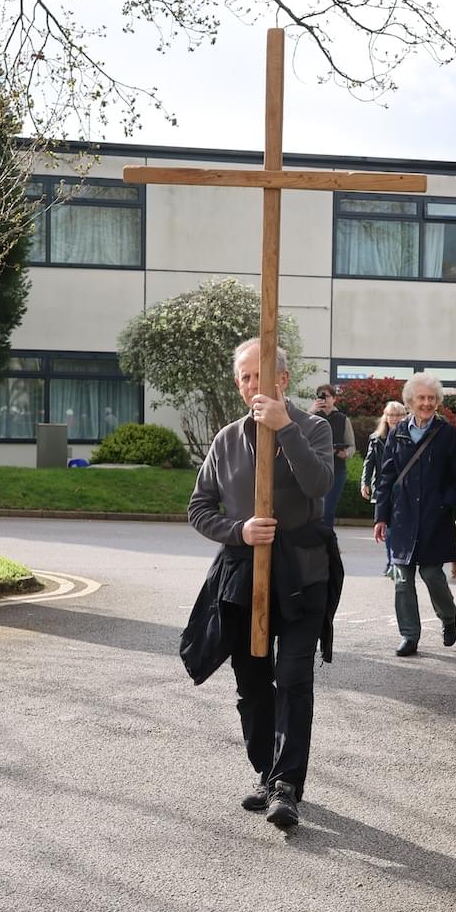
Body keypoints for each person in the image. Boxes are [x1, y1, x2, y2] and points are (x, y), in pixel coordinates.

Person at [185, 338, 338, 831]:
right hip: (244, 578)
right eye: (245, 377)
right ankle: (266, 773)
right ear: (239, 383)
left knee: (293, 677)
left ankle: (288, 786)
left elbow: (319, 485)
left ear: (283, 380)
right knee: (252, 683)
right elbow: (199, 507)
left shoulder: (312, 427)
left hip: (302, 576)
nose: (253, 384)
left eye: (262, 375)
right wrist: (240, 531)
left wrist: (285, 429)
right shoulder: (228, 439)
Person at [373, 374, 456, 656]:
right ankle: (409, 635)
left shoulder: (447, 433)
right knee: (402, 579)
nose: (426, 403)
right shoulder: (398, 431)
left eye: (431, 398)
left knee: (431, 574)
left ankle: (448, 616)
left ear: (437, 401)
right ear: (410, 401)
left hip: (433, 518)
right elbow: (386, 477)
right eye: (421, 398)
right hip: (402, 518)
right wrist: (381, 516)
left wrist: (444, 504)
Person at [362, 401, 408, 575]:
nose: (395, 418)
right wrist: (364, 482)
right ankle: (391, 562)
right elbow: (369, 462)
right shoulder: (376, 438)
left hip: (404, 488)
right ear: (385, 417)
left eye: (398, 415)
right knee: (386, 528)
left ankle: (399, 561)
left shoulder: (409, 436)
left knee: (399, 527)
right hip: (383, 488)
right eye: (391, 415)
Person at [311, 384, 356, 529]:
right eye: (320, 396)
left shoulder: (342, 419)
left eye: (327, 396)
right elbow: (299, 434)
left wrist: (345, 453)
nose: (324, 400)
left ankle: (327, 544)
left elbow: (351, 446)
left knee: (328, 510)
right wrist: (311, 411)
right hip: (316, 469)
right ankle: (316, 542)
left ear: (334, 399)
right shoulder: (312, 417)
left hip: (336, 469)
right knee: (314, 510)